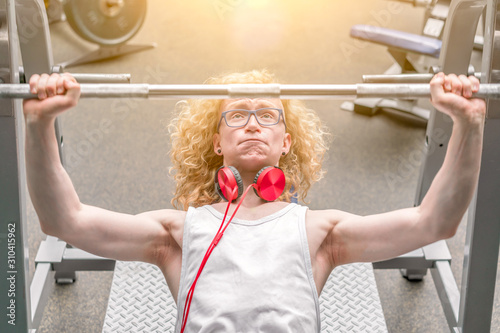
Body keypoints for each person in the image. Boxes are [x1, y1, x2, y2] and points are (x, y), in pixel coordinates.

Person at [23, 70, 485, 332]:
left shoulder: (319, 232)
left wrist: (469, 124)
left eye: (267, 116)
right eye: (238, 115)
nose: (252, 123)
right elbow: (65, 220)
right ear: (217, 142)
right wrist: (39, 124)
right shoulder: (177, 233)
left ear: (286, 142)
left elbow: (435, 222)